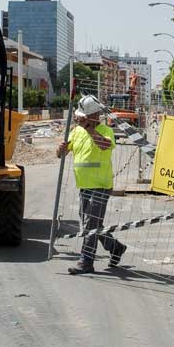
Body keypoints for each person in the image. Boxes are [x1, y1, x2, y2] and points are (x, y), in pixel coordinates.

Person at [57, 94, 126, 275]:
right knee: (90, 225)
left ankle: (86, 261)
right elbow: (61, 154)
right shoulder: (76, 131)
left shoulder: (105, 130)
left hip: (101, 185)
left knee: (90, 225)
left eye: (84, 116)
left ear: (94, 115)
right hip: (84, 186)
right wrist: (61, 149)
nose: (81, 119)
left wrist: (89, 130)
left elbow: (105, 145)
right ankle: (115, 247)